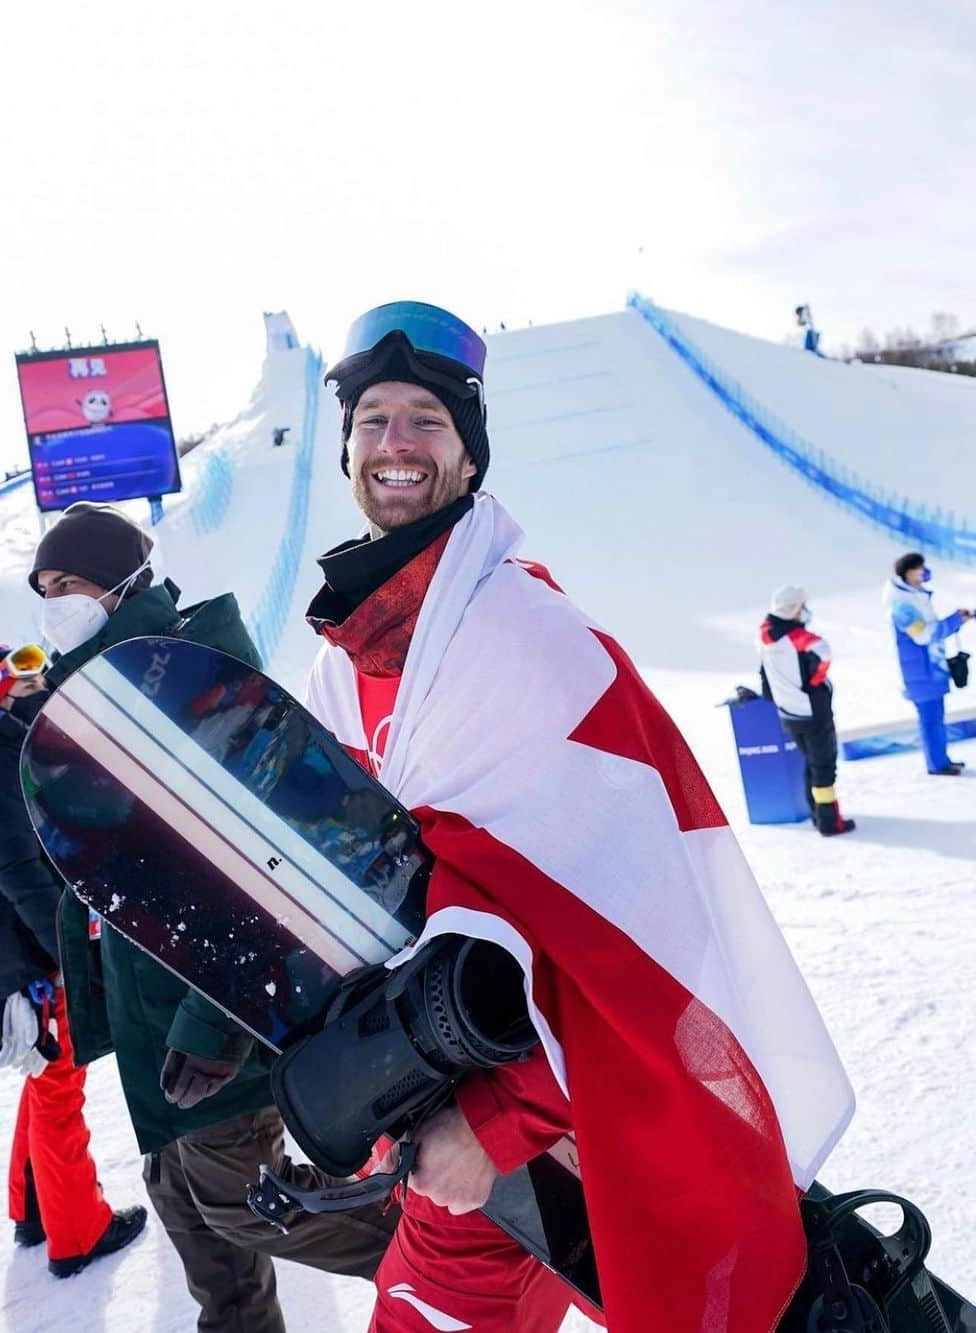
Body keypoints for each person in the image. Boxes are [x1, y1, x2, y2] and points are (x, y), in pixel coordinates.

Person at [304, 302, 854, 1331]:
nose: (395, 444)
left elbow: (642, 936)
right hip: (457, 1132)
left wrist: (504, 1124)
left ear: (468, 451)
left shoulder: (535, 643)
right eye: (373, 420)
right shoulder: (347, 664)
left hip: (570, 1132)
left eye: (426, 418)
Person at [27, 501, 397, 1333]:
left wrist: (213, 1020)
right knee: (201, 1232)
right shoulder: (101, 694)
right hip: (155, 1027)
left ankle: (451, 1249)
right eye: (43, 588)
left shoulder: (195, 682)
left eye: (68, 584)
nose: (53, 602)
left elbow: (272, 870)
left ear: (123, 587)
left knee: (242, 1203)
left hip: (219, 1023)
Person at [0, 643, 147, 1277]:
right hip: (31, 955)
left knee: (46, 1076)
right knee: (59, 1085)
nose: (44, 683)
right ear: (1, 690)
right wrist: (71, 956)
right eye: (31, 676)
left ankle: (36, 1210)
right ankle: (77, 1233)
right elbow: (17, 869)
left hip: (16, 951)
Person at [758, 584, 855, 835]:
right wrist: (814, 683)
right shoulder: (802, 639)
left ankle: (816, 813)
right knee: (823, 768)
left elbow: (764, 674)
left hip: (788, 713)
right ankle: (829, 822)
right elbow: (824, 653)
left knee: (811, 763)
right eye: (802, 607)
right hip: (813, 713)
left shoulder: (764, 636)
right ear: (793, 610)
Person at [883, 552, 973, 775]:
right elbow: (923, 635)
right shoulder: (902, 607)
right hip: (920, 671)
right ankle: (937, 764)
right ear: (907, 573)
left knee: (936, 717)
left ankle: (941, 759)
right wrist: (953, 621)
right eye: (918, 569)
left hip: (931, 668)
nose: (923, 572)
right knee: (930, 720)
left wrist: (956, 621)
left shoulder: (916, 597)